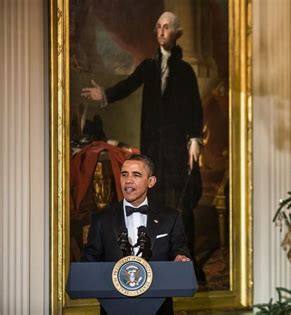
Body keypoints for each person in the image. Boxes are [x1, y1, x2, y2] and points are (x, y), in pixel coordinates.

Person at [81, 11, 204, 281]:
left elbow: (195, 107)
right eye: (158, 27)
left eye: (167, 27)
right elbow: (128, 85)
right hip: (153, 149)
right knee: (155, 203)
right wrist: (105, 95)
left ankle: (187, 264)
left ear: (176, 33)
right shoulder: (149, 66)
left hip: (177, 149)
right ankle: (152, 263)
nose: (162, 32)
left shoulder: (184, 71)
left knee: (180, 205)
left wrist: (195, 139)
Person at [82, 154, 191, 315]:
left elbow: (180, 251)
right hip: (114, 308)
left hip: (159, 308)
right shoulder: (101, 219)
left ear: (151, 182)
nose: (128, 180)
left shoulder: (171, 217)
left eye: (136, 175)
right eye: (124, 174)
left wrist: (180, 258)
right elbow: (89, 261)